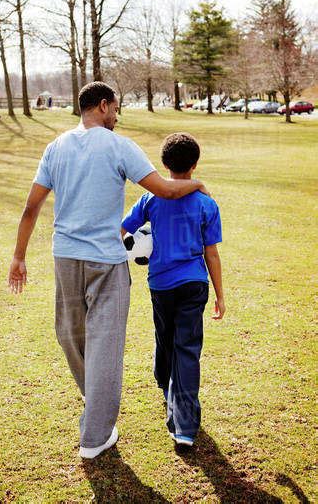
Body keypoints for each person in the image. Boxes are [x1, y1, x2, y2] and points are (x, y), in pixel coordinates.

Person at [8, 83, 209, 459]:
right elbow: (165, 190)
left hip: (65, 259)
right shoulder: (119, 146)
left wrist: (19, 256)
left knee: (71, 335)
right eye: (115, 108)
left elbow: (31, 207)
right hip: (105, 262)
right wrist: (197, 183)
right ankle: (97, 435)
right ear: (103, 106)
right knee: (102, 343)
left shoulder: (55, 147)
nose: (117, 115)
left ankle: (96, 413)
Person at [121, 132, 225, 447]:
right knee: (186, 350)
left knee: (168, 343)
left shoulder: (150, 200)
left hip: (161, 286)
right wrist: (220, 294)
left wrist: (136, 243)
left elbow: (123, 228)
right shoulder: (207, 203)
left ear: (164, 165)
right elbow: (212, 254)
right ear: (195, 164)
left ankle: (179, 413)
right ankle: (183, 424)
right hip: (194, 284)